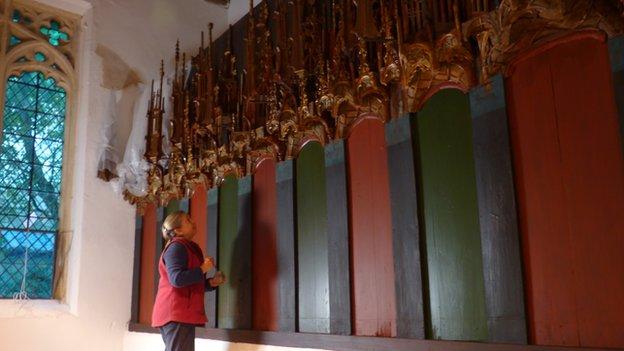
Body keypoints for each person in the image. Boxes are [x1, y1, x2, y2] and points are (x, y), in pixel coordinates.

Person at [151, 211, 226, 351]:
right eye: (188, 220)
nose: (193, 222)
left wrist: (211, 283)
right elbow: (177, 279)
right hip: (175, 313)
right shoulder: (176, 247)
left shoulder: (187, 247)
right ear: (178, 230)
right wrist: (203, 268)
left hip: (180, 314)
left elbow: (190, 284)